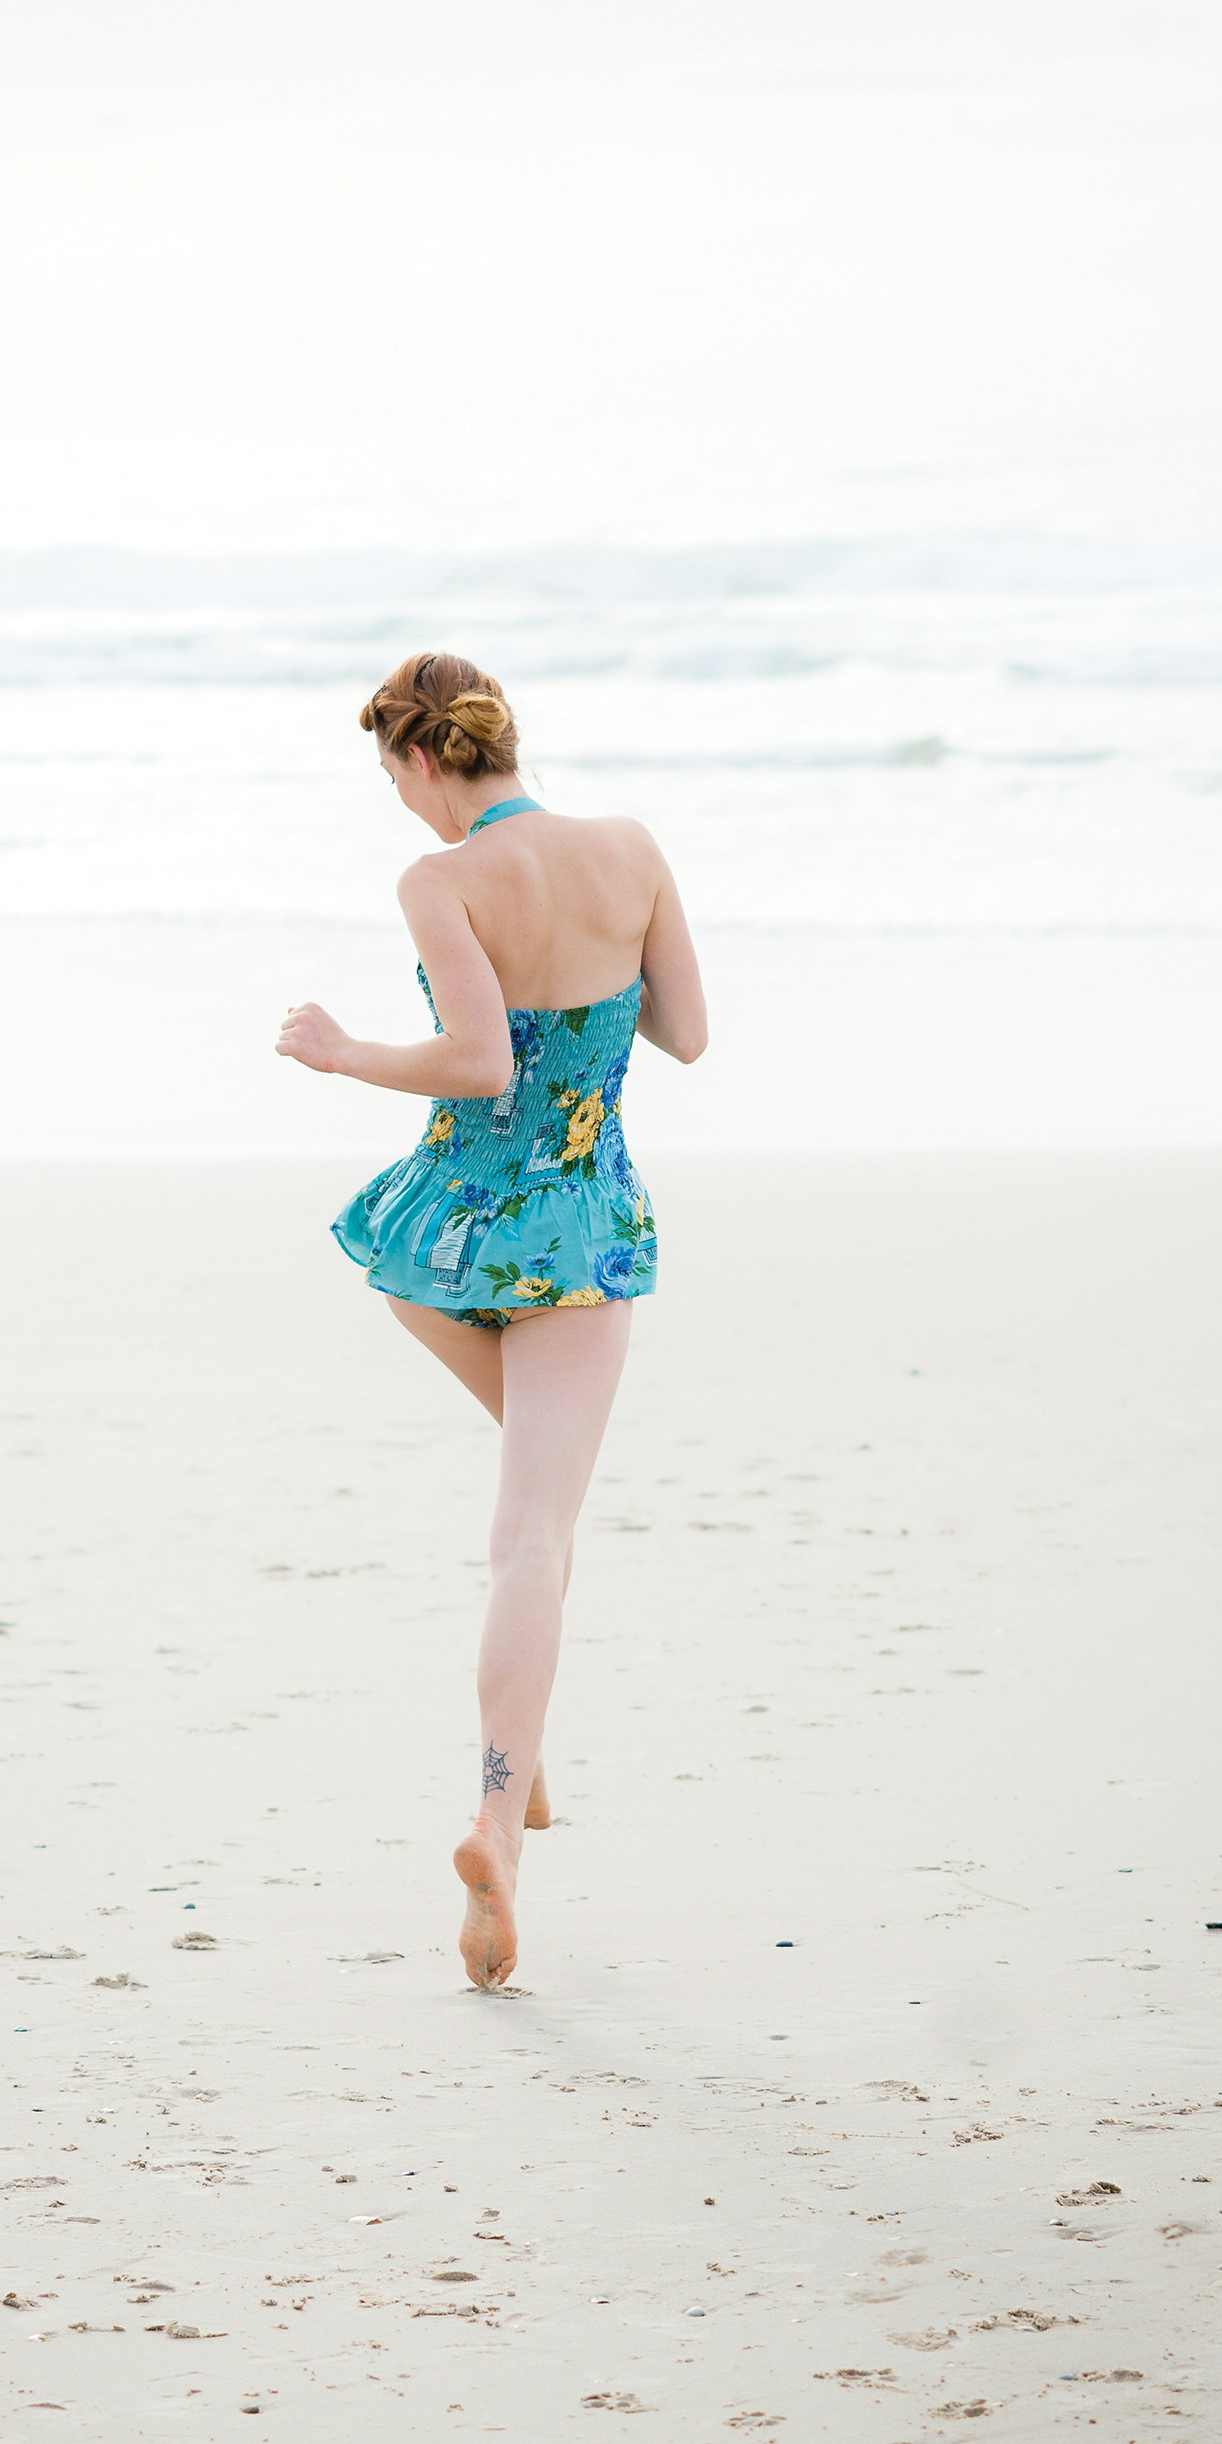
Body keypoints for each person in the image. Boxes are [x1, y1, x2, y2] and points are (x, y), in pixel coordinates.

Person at [277, 651, 707, 1987]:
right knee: (538, 1536)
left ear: (417, 762)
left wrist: (342, 1049)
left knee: (530, 1520)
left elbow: (475, 1062)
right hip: (580, 1229)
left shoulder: (440, 880)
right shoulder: (630, 848)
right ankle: (498, 1814)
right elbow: (685, 1034)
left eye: (391, 779)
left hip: (445, 1239)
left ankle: (513, 1787)